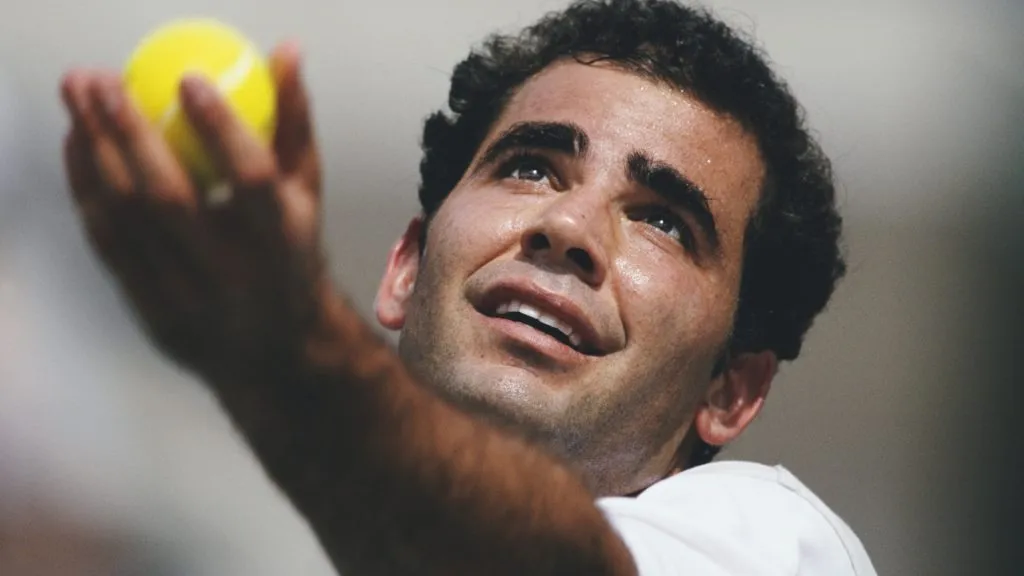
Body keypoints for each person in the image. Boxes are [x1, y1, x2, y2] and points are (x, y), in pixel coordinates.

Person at [58, 0, 878, 574]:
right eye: (530, 167)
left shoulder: (778, 548)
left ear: (732, 389)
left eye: (664, 220)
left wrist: (291, 352)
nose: (569, 229)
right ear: (405, 270)